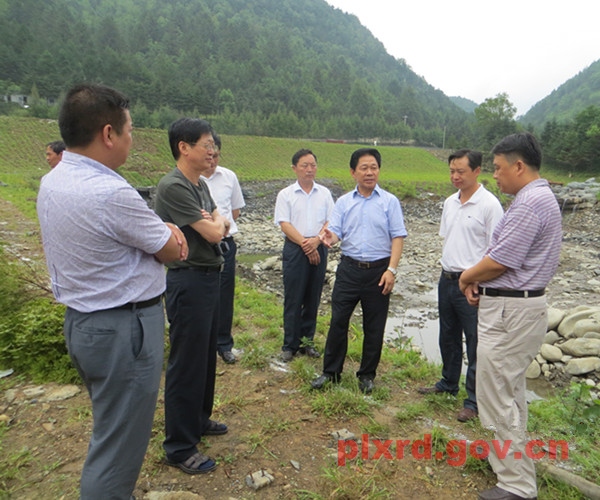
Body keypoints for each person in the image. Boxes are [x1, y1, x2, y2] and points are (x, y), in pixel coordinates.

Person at [37, 84, 188, 500]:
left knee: (110, 426)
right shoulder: (111, 192)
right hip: (124, 329)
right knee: (118, 446)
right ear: (108, 134)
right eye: (130, 130)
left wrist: (160, 231)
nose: (131, 138)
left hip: (84, 323)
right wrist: (169, 230)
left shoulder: (55, 179)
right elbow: (173, 249)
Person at [459, 133, 562, 500]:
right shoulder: (539, 198)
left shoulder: (530, 203)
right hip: (517, 307)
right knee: (511, 390)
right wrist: (480, 281)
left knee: (495, 394)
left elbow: (501, 261)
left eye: (499, 168)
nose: (495, 175)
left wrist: (466, 277)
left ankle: (516, 485)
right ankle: (510, 462)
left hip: (510, 312)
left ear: (519, 166)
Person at [155, 118, 231, 475]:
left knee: (204, 356)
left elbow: (219, 219)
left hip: (208, 278)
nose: (212, 151)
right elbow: (216, 233)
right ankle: (179, 446)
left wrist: (214, 222)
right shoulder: (173, 186)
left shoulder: (198, 184)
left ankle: (199, 419)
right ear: (184, 147)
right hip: (188, 280)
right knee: (186, 362)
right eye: (206, 145)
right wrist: (215, 225)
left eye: (213, 145)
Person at [311, 148, 407, 394]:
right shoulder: (344, 202)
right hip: (349, 270)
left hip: (379, 271)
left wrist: (392, 270)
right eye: (364, 168)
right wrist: (329, 237)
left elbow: (397, 237)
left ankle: (367, 375)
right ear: (353, 172)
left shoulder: (389, 202)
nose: (369, 172)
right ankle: (330, 372)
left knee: (374, 326)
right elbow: (336, 232)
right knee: (338, 321)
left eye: (374, 167)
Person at [418, 149, 503, 423]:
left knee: (476, 342)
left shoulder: (490, 205)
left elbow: (496, 251)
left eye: (461, 171)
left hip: (473, 285)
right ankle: (448, 383)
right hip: (447, 278)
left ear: (477, 171)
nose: (455, 176)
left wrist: (478, 280)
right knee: (448, 335)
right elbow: (449, 239)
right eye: (452, 171)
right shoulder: (450, 202)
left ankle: (474, 401)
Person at [274, 149, 334, 362]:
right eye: (304, 165)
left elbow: (330, 221)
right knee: (293, 297)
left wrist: (317, 241)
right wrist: (305, 244)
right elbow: (284, 223)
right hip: (295, 248)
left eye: (313, 165)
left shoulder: (324, 193)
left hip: (319, 245)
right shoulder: (286, 194)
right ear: (295, 168)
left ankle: (307, 342)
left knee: (312, 296)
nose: (309, 169)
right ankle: (289, 345)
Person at [201, 133, 245, 364]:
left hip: (225, 244)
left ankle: (224, 343)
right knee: (200, 293)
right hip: (199, 245)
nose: (212, 160)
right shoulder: (190, 179)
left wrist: (221, 228)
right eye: (209, 154)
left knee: (224, 294)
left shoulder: (229, 176)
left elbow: (235, 211)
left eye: (216, 155)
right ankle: (202, 342)